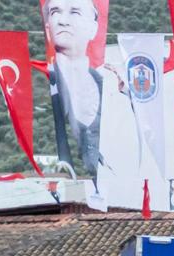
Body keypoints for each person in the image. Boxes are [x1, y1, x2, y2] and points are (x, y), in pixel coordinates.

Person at [43, 0, 103, 174]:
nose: (63, 21)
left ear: (93, 28)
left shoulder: (106, 84)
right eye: (55, 12)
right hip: (65, 182)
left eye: (75, 12)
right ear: (47, 28)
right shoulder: (45, 81)